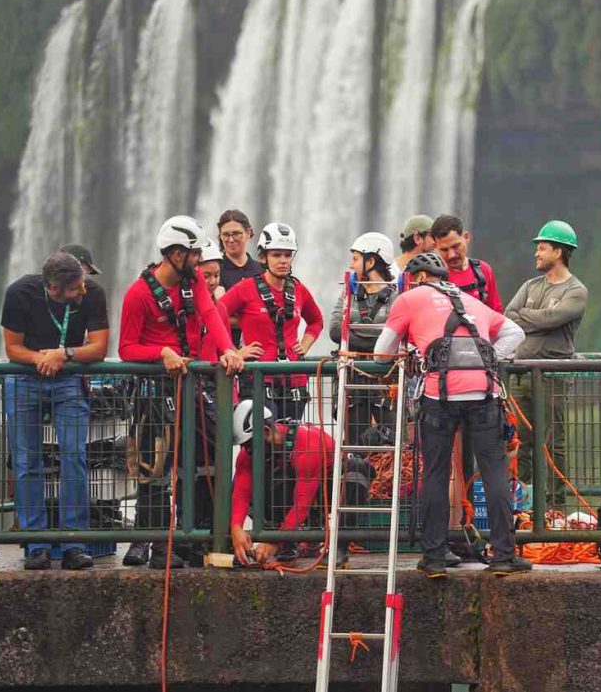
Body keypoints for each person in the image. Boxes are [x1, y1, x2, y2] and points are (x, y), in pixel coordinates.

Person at [374, 252, 530, 577]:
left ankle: (434, 557)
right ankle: (504, 555)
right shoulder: (471, 301)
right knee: (494, 472)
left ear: (418, 278)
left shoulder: (409, 299)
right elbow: (516, 333)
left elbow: (380, 353)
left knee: (436, 472)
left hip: (439, 395)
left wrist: (412, 350)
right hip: (484, 392)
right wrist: (489, 359)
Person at [118, 215, 244, 569]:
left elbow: (210, 315)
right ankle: (153, 544)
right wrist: (161, 353)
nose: (199, 260)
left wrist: (228, 350)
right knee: (155, 465)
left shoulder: (194, 282)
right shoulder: (138, 294)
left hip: (191, 385)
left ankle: (194, 535)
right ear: (176, 254)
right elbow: (126, 348)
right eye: (194, 254)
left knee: (204, 457)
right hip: (156, 390)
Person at [1, 252, 110, 570]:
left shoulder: (93, 292)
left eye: (82, 283)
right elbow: (12, 347)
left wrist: (63, 354)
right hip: (25, 377)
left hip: (69, 378)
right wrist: (40, 358)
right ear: (53, 288)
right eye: (75, 288)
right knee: (26, 462)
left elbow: (99, 347)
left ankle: (74, 541)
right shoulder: (20, 292)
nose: (82, 290)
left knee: (74, 457)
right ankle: (36, 544)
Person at [505, 220, 588, 507]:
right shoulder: (530, 285)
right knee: (519, 442)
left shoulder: (576, 290)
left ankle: (555, 507)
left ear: (559, 251)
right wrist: (541, 319)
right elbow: (509, 315)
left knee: (554, 444)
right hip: (520, 375)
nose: (536, 254)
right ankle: (523, 505)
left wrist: (528, 318)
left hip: (553, 376)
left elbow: (554, 319)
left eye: (542, 248)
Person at [218, 222, 322, 421]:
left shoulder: (299, 289)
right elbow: (213, 316)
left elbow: (316, 320)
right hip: (257, 379)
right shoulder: (245, 288)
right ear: (263, 257)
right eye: (276, 255)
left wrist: (305, 345)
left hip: (295, 381)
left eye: (287, 255)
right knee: (264, 436)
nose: (283, 261)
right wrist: (234, 351)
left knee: (290, 437)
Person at [229, 400, 339, 565]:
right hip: (297, 489)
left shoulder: (307, 445)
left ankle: (335, 544)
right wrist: (236, 528)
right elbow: (241, 493)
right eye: (244, 446)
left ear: (266, 432)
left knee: (354, 472)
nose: (247, 451)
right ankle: (285, 538)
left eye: (249, 444)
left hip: (325, 492)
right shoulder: (248, 453)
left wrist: (274, 542)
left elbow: (302, 503)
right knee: (263, 479)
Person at [328, 232, 399, 439]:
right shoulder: (348, 294)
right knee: (354, 440)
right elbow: (335, 330)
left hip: (385, 381)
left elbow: (399, 334)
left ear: (371, 261)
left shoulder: (397, 297)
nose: (351, 265)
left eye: (356, 259)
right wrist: (380, 344)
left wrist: (355, 337)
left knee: (390, 440)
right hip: (353, 379)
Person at [430, 214, 503, 312]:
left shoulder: (483, 270)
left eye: (455, 246)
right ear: (435, 246)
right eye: (444, 250)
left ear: (466, 237)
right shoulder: (431, 277)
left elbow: (497, 313)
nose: (451, 255)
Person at [217, 209, 261, 290]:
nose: (231, 240)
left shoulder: (262, 271)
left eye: (236, 234)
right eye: (226, 235)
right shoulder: (215, 272)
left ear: (248, 233)